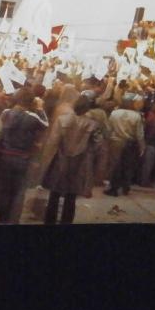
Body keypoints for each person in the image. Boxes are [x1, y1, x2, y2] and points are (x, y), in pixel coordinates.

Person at [0, 87, 49, 224]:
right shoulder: (33, 117)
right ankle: (13, 221)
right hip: (23, 159)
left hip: (4, 157)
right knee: (18, 193)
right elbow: (46, 124)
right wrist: (40, 108)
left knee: (4, 191)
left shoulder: (6, 113)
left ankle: (1, 220)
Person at [42, 94, 102, 225]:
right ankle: (66, 222)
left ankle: (49, 221)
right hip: (80, 162)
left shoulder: (62, 120)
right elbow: (98, 144)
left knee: (54, 194)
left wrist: (46, 160)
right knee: (71, 196)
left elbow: (53, 141)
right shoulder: (93, 124)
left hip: (61, 159)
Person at [104, 92, 146, 197]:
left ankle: (113, 188)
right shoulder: (137, 116)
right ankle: (126, 187)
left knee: (115, 165)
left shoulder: (114, 113)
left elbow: (108, 129)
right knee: (127, 166)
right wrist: (142, 146)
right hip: (129, 143)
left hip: (115, 142)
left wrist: (107, 141)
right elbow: (139, 134)